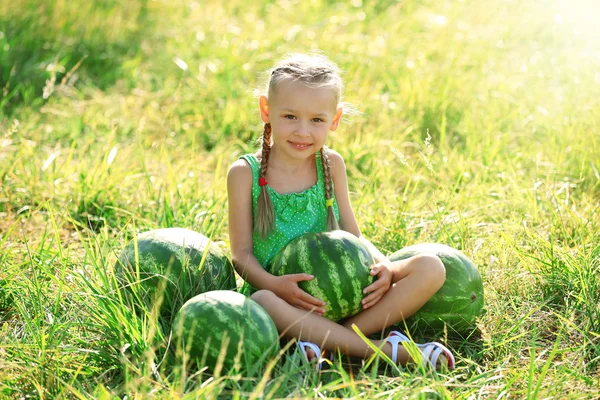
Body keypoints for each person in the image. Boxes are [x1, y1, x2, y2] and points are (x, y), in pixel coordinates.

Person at [227, 52, 455, 370]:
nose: (303, 132)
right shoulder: (245, 173)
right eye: (290, 116)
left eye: (317, 120)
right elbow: (241, 255)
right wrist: (274, 284)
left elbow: (353, 235)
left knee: (431, 267)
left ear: (335, 119)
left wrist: (385, 267)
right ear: (267, 110)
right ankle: (386, 351)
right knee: (260, 303)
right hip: (283, 298)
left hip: (347, 289)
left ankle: (328, 341)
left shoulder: (331, 165)